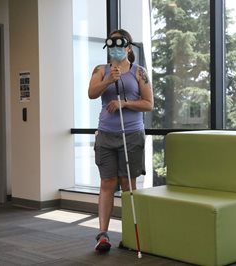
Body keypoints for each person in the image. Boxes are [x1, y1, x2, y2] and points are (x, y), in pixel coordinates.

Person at [88, 29, 154, 252]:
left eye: (120, 45)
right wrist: (108, 80)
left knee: (128, 185)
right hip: (106, 134)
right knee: (107, 183)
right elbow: (91, 93)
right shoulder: (100, 70)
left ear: (128, 48)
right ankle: (103, 235)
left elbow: (149, 104)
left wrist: (124, 103)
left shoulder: (139, 72)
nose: (116, 50)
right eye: (112, 45)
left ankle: (129, 234)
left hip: (132, 135)